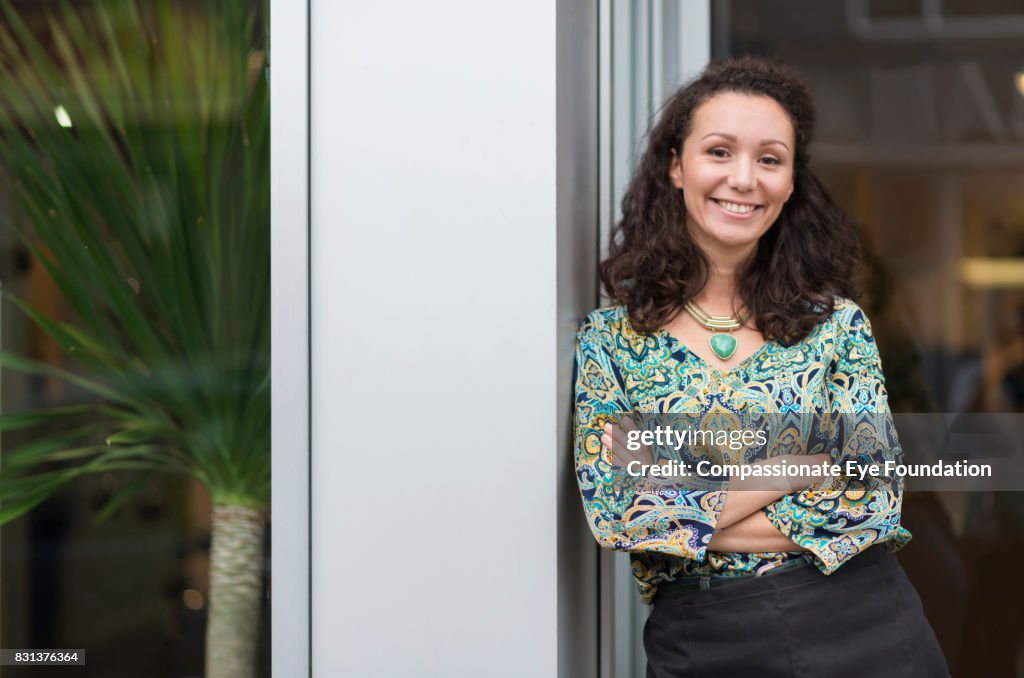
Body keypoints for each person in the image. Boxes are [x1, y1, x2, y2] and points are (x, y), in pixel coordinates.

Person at [572, 56, 949, 677]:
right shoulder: (610, 342)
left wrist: (677, 501)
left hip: (866, 626)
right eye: (719, 152)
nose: (743, 178)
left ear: (792, 180)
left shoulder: (836, 327)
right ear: (676, 166)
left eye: (769, 159)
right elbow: (618, 513)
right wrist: (797, 465)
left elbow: (872, 501)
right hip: (704, 641)